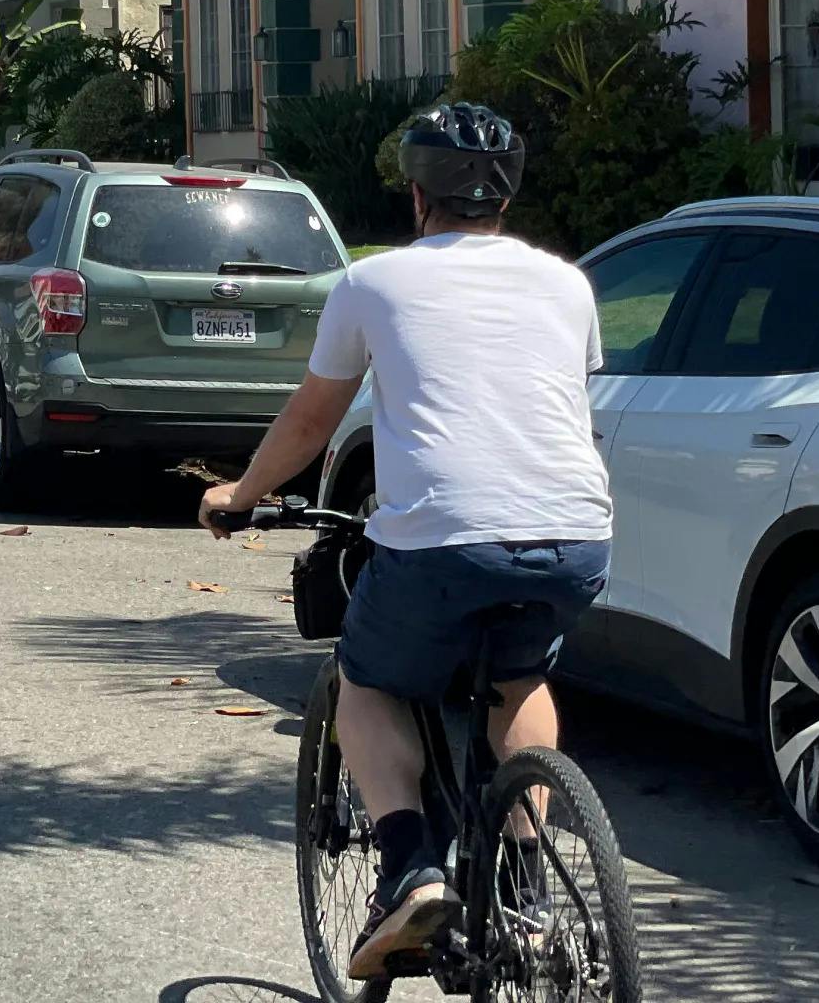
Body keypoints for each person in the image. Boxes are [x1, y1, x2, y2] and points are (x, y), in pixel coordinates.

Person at [197, 103, 610, 980]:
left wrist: (241, 494)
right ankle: (530, 892)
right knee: (518, 675)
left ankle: (410, 868)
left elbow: (313, 421)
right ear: (503, 197)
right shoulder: (567, 284)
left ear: (418, 197)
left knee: (368, 679)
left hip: (442, 544)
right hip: (575, 536)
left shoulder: (373, 285)